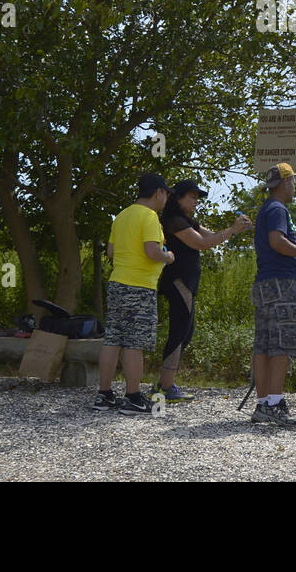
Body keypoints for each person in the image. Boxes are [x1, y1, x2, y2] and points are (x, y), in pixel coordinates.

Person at [152, 179, 253, 402]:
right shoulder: (174, 220)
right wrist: (232, 229)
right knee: (179, 333)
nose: (196, 201)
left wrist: (233, 230)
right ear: (178, 198)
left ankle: (164, 384)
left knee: (186, 332)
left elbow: (211, 236)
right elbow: (201, 244)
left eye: (198, 197)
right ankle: (164, 388)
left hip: (187, 283)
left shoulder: (187, 221)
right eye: (192, 197)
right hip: (179, 282)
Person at [250, 162, 296, 428]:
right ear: (283, 183)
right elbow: (277, 242)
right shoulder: (279, 209)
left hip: (265, 284)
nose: (294, 186)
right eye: (292, 181)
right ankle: (275, 403)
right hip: (282, 284)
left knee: (264, 345)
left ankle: (263, 405)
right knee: (283, 343)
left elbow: (284, 241)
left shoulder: (267, 209)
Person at [95, 173, 174, 414]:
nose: (166, 198)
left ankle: (104, 395)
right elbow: (151, 251)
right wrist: (167, 256)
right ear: (158, 192)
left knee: (113, 340)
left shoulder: (121, 216)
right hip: (139, 286)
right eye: (166, 194)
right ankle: (132, 397)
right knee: (134, 343)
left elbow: (110, 251)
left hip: (117, 283)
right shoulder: (150, 216)